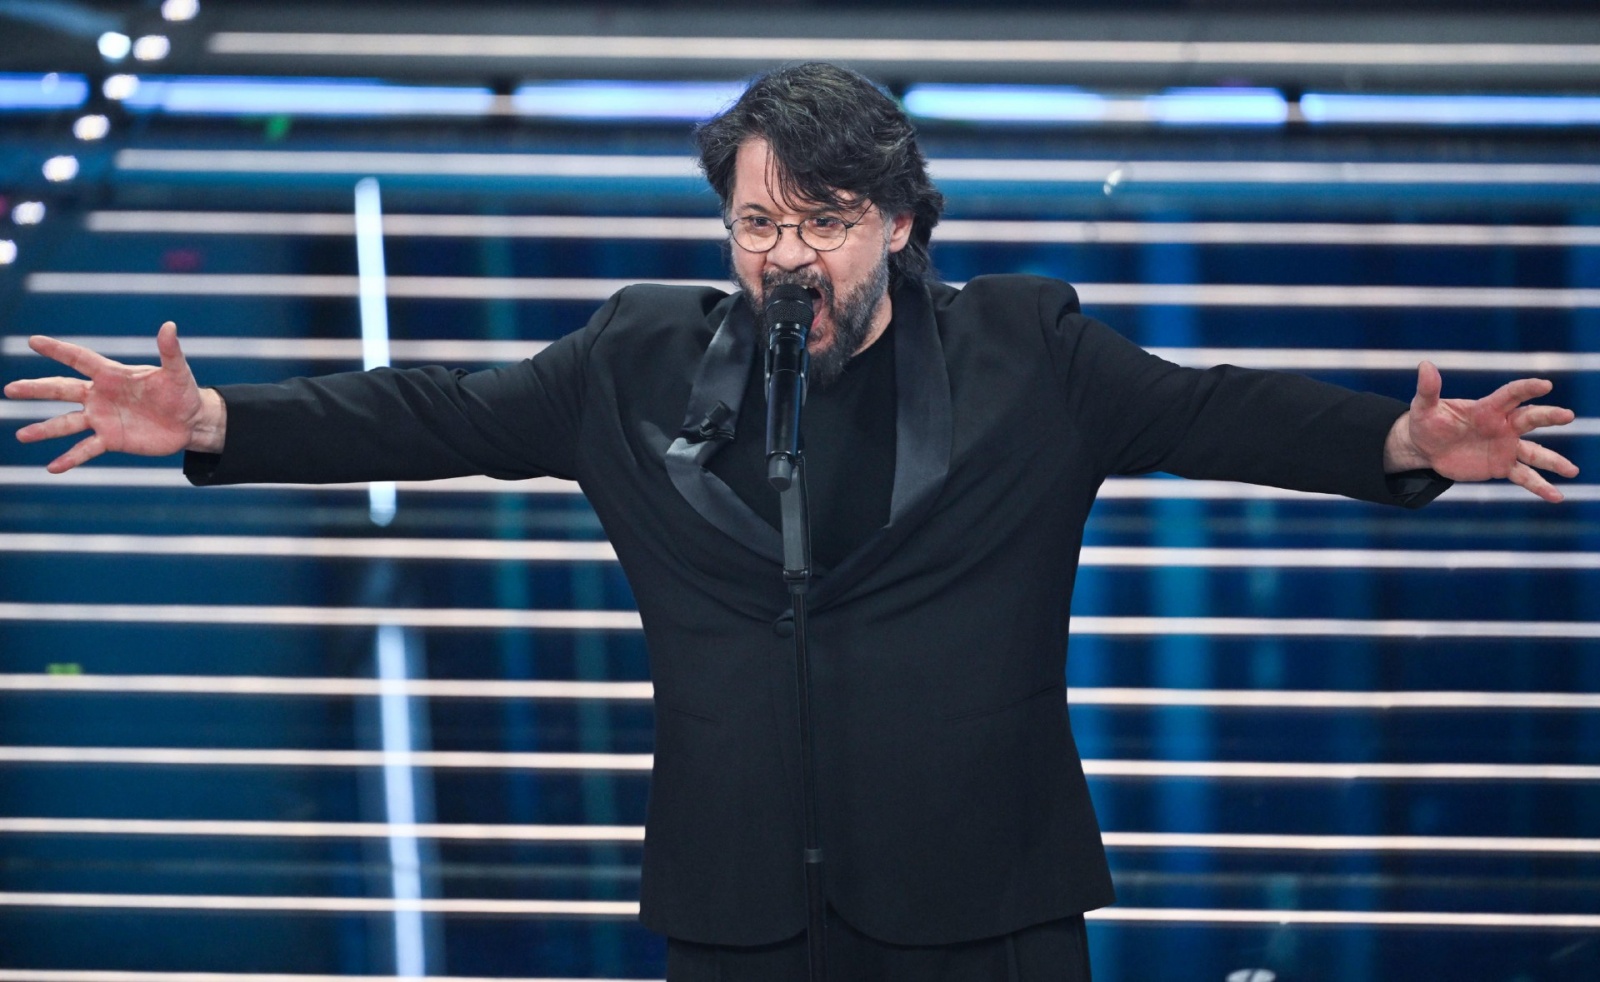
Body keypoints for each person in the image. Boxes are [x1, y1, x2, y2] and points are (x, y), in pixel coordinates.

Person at [4, 62, 1580, 981]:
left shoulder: (1029, 353)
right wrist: (214, 420)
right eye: (757, 220)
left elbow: (1211, 410)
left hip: (986, 907)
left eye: (821, 222)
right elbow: (438, 410)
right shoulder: (632, 362)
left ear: (897, 220)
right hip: (742, 906)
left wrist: (1401, 438)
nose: (785, 253)